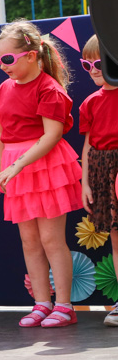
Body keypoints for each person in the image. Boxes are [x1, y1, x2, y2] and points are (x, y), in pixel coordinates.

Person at [0, 21, 82, 328]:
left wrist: (17, 165)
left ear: (31, 55)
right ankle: (42, 303)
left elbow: (52, 135)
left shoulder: (49, 89)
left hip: (45, 166)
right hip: (17, 168)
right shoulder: (3, 90)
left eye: (8, 59)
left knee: (51, 239)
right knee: (29, 240)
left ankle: (65, 306)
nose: (3, 66)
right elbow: (2, 133)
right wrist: (4, 167)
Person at [78, 35, 118, 326]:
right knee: (116, 241)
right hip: (102, 171)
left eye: (98, 63)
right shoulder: (90, 103)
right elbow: (89, 146)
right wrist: (86, 183)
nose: (92, 69)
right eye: (86, 64)